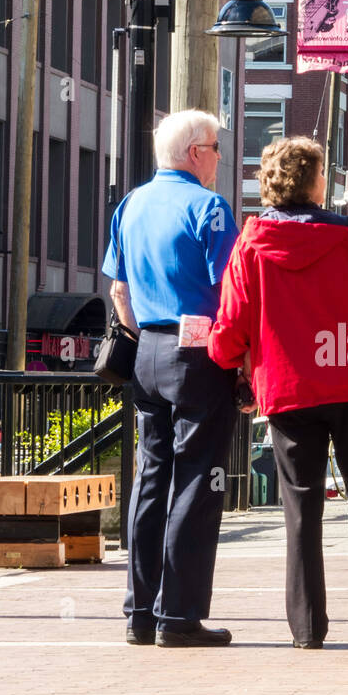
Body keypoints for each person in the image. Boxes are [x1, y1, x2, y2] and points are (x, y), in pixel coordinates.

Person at [208, 136, 348, 649]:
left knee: (301, 510)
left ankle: (308, 628)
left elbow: (230, 328)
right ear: (314, 183)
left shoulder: (251, 244)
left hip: (287, 391)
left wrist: (228, 363)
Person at [102, 109, 239, 648]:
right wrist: (243, 360)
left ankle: (140, 612)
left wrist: (144, 337)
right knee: (198, 481)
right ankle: (178, 616)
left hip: (146, 352)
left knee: (151, 478)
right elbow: (231, 293)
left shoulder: (131, 204)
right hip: (198, 353)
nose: (219, 157)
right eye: (216, 147)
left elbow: (118, 291)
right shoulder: (209, 207)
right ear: (195, 153)